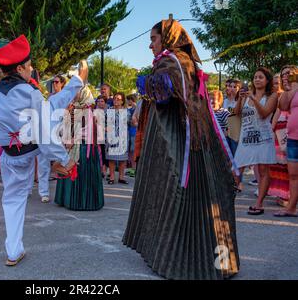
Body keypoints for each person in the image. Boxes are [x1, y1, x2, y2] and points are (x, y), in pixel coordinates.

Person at [123, 19, 239, 280]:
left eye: (153, 39)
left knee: (178, 193)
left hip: (178, 139)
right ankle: (218, 261)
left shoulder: (173, 61)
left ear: (167, 38)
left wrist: (145, 82)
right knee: (201, 195)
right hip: (191, 137)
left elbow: (163, 91)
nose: (150, 44)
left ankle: (185, 262)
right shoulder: (182, 61)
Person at [0, 35, 85, 266]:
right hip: (30, 150)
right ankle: (13, 251)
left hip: (9, 154)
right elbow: (44, 127)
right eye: (29, 66)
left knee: (12, 200)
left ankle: (13, 251)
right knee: (16, 198)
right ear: (19, 67)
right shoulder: (28, 91)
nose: (31, 70)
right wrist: (63, 158)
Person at [233, 68, 278, 214]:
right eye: (255, 77)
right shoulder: (247, 96)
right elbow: (237, 113)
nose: (257, 79)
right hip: (246, 138)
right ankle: (229, 198)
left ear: (267, 80)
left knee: (263, 170)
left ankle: (259, 204)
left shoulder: (272, 96)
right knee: (237, 166)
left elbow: (264, 114)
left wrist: (253, 99)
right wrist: (241, 98)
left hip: (263, 138)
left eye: (261, 77)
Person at [55, 85, 104, 211]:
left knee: (79, 173)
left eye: (77, 92)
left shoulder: (87, 110)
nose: (74, 94)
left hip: (82, 146)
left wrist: (73, 140)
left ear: (83, 94)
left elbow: (87, 131)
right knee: (68, 169)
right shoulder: (74, 107)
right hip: (72, 144)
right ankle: (66, 199)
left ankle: (81, 202)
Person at [36, 74, 67, 203]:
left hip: (60, 132)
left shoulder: (65, 97)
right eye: (53, 82)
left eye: (56, 82)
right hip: (46, 133)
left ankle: (64, 191)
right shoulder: (48, 97)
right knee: (43, 164)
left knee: (63, 161)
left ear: (62, 84)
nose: (54, 84)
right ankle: (44, 193)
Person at [277, 66, 298, 217]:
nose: (287, 76)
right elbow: (283, 106)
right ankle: (291, 208)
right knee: (293, 175)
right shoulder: (289, 91)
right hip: (292, 138)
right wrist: (288, 88)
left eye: (289, 73)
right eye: (284, 74)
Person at [106, 92, 129, 185]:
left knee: (122, 159)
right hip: (111, 136)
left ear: (122, 101)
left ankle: (121, 177)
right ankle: (111, 177)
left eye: (118, 99)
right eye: (115, 98)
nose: (116, 100)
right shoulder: (108, 110)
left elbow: (130, 122)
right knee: (111, 158)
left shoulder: (127, 111)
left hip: (123, 137)